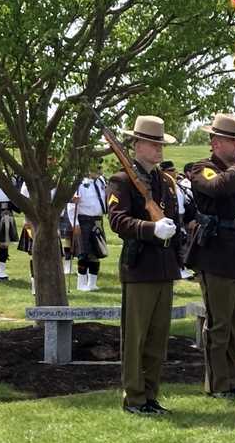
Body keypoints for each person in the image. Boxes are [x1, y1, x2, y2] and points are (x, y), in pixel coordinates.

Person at [185, 113, 235, 398]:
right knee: (219, 324)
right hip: (217, 255)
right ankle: (216, 383)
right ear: (216, 142)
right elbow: (217, 188)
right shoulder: (202, 168)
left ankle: (230, 380)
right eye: (233, 141)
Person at [106, 115, 181, 416]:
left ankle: (151, 394)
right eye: (152, 144)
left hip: (164, 267)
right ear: (136, 145)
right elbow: (117, 220)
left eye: (160, 144)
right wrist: (150, 229)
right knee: (135, 338)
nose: (158, 149)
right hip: (139, 267)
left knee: (157, 338)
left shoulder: (164, 180)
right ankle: (134, 397)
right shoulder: (122, 180)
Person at [72, 162, 108, 291]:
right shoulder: (79, 183)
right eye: (96, 168)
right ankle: (81, 283)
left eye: (100, 168)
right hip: (84, 220)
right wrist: (74, 223)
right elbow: (72, 205)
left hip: (97, 220)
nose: (99, 170)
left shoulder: (101, 182)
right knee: (84, 253)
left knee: (96, 251)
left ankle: (92, 283)